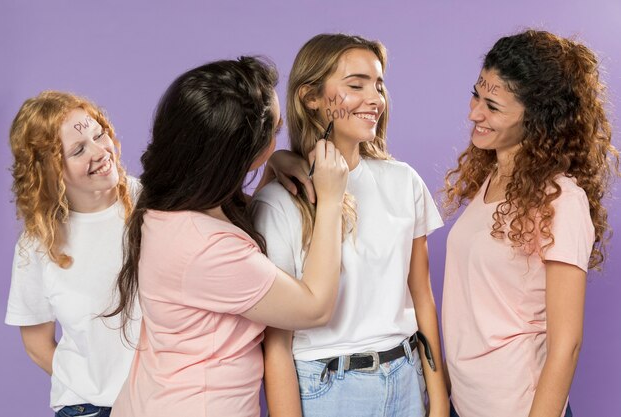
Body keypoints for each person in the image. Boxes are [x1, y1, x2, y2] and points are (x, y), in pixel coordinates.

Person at [106, 56, 349, 417]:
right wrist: (330, 200)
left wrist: (268, 166)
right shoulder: (208, 248)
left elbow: (236, 228)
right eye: (275, 132)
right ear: (237, 158)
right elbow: (315, 307)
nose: (279, 135)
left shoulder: (168, 205)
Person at [253, 33, 450, 417]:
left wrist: (438, 398)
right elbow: (276, 341)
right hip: (328, 390)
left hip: (408, 380)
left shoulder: (403, 180)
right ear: (311, 98)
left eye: (379, 84)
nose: (375, 98)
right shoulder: (278, 202)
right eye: (356, 85)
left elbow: (422, 297)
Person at [442, 30, 620, 417]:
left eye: (493, 105)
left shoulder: (562, 200)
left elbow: (566, 344)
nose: (475, 113)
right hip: (466, 404)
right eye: (476, 94)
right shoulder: (490, 177)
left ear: (537, 118)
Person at [5, 91, 141, 417]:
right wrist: (90, 385)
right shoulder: (37, 244)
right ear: (50, 170)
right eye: (79, 149)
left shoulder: (152, 200)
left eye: (99, 134)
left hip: (166, 403)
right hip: (88, 409)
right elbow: (37, 344)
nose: (100, 151)